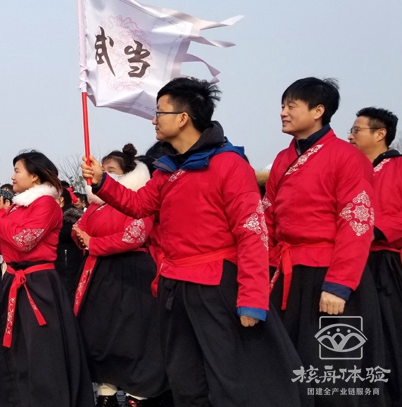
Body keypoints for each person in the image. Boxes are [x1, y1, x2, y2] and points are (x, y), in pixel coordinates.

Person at [82, 77, 304, 406]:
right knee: (184, 373)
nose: (154, 120)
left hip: (215, 285)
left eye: (161, 112)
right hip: (174, 286)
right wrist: (102, 181)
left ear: (183, 118)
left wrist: (252, 298)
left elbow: (252, 233)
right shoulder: (167, 170)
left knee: (227, 373)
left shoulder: (228, 164)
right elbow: (139, 205)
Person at [267, 78, 389, 406]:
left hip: (331, 275)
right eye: (282, 106)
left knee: (334, 374)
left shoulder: (347, 157)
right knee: (288, 367)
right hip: (288, 275)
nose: (283, 112)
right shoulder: (282, 159)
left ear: (318, 111)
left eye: (291, 106)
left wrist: (339, 285)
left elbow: (356, 222)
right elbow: (268, 217)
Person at [0, 151, 93, 407]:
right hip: (13, 280)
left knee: (41, 349)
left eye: (17, 170)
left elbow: (24, 240)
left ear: (34, 176)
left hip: (38, 283)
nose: (12, 176)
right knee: (15, 348)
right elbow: (0, 246)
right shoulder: (17, 206)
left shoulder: (46, 204)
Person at [73, 144, 169, 406]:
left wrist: (94, 243)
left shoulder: (138, 200)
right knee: (100, 331)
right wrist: (84, 239)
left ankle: (137, 391)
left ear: (128, 173)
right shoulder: (96, 205)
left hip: (132, 272)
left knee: (132, 333)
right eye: (102, 169)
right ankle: (106, 388)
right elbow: (79, 227)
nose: (104, 173)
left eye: (111, 169)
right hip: (99, 273)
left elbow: (135, 235)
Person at [348, 107, 402, 405]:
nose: (350, 136)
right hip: (347, 265)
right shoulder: (349, 171)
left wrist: (378, 230)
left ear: (380, 134)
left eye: (356, 130)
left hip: (384, 264)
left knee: (391, 335)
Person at [55, 184, 85, 303]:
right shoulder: (58, 214)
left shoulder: (71, 215)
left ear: (61, 199)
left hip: (68, 258)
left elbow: (66, 234)